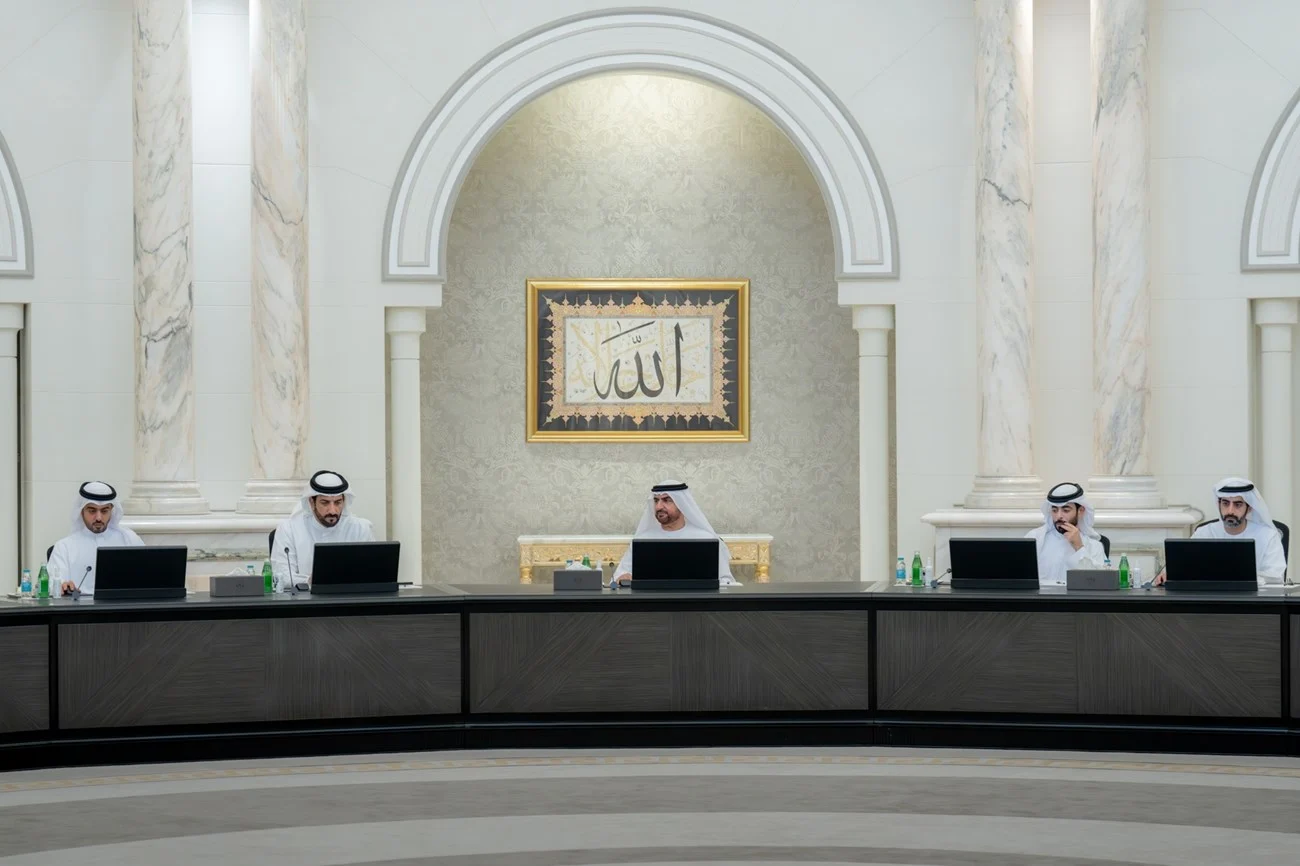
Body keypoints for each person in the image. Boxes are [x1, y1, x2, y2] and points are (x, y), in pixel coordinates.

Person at [1155, 477, 1287, 586]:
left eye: (1237, 504)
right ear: (1219, 504)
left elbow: (1276, 577)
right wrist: (1169, 574)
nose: (1230, 511)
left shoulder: (1268, 536)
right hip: (1210, 600)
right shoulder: (1204, 533)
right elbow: (1183, 566)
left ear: (1250, 508)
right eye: (1225, 503)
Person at [612, 481, 736, 586]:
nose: (659, 506)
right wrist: (623, 577)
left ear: (682, 504)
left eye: (667, 500)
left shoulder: (706, 538)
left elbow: (726, 581)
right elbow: (619, 576)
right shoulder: (643, 539)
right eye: (656, 500)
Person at [270, 471, 375, 591]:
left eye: (338, 502)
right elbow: (281, 577)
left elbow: (372, 573)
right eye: (325, 503)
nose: (333, 511)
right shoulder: (289, 529)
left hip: (352, 599)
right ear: (311, 502)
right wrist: (309, 581)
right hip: (305, 600)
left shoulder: (360, 528)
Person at [48, 481, 145, 597]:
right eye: (92, 510)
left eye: (104, 511)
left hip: (123, 605)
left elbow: (147, 577)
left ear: (111, 511)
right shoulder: (64, 547)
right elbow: (52, 584)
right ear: (81, 511)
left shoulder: (130, 540)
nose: (98, 517)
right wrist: (62, 586)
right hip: (80, 607)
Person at [1025, 482, 1106, 586]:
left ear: (1081, 511)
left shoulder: (1094, 546)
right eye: (1054, 510)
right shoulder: (1035, 538)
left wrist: (1079, 547)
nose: (1059, 516)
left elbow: (1098, 582)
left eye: (1066, 510)